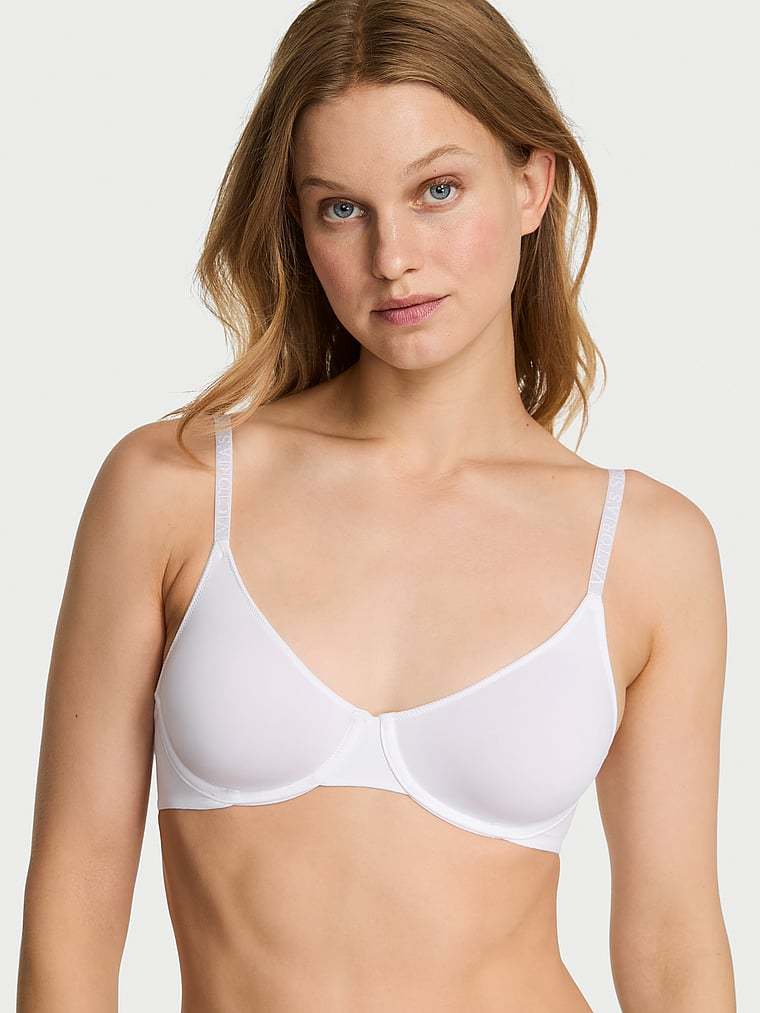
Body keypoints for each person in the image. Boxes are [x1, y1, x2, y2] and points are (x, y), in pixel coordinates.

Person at [17, 1, 736, 1010]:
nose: (392, 255)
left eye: (437, 190)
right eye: (341, 209)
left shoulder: (648, 548)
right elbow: (72, 907)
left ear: (532, 185)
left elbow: (670, 941)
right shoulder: (170, 490)